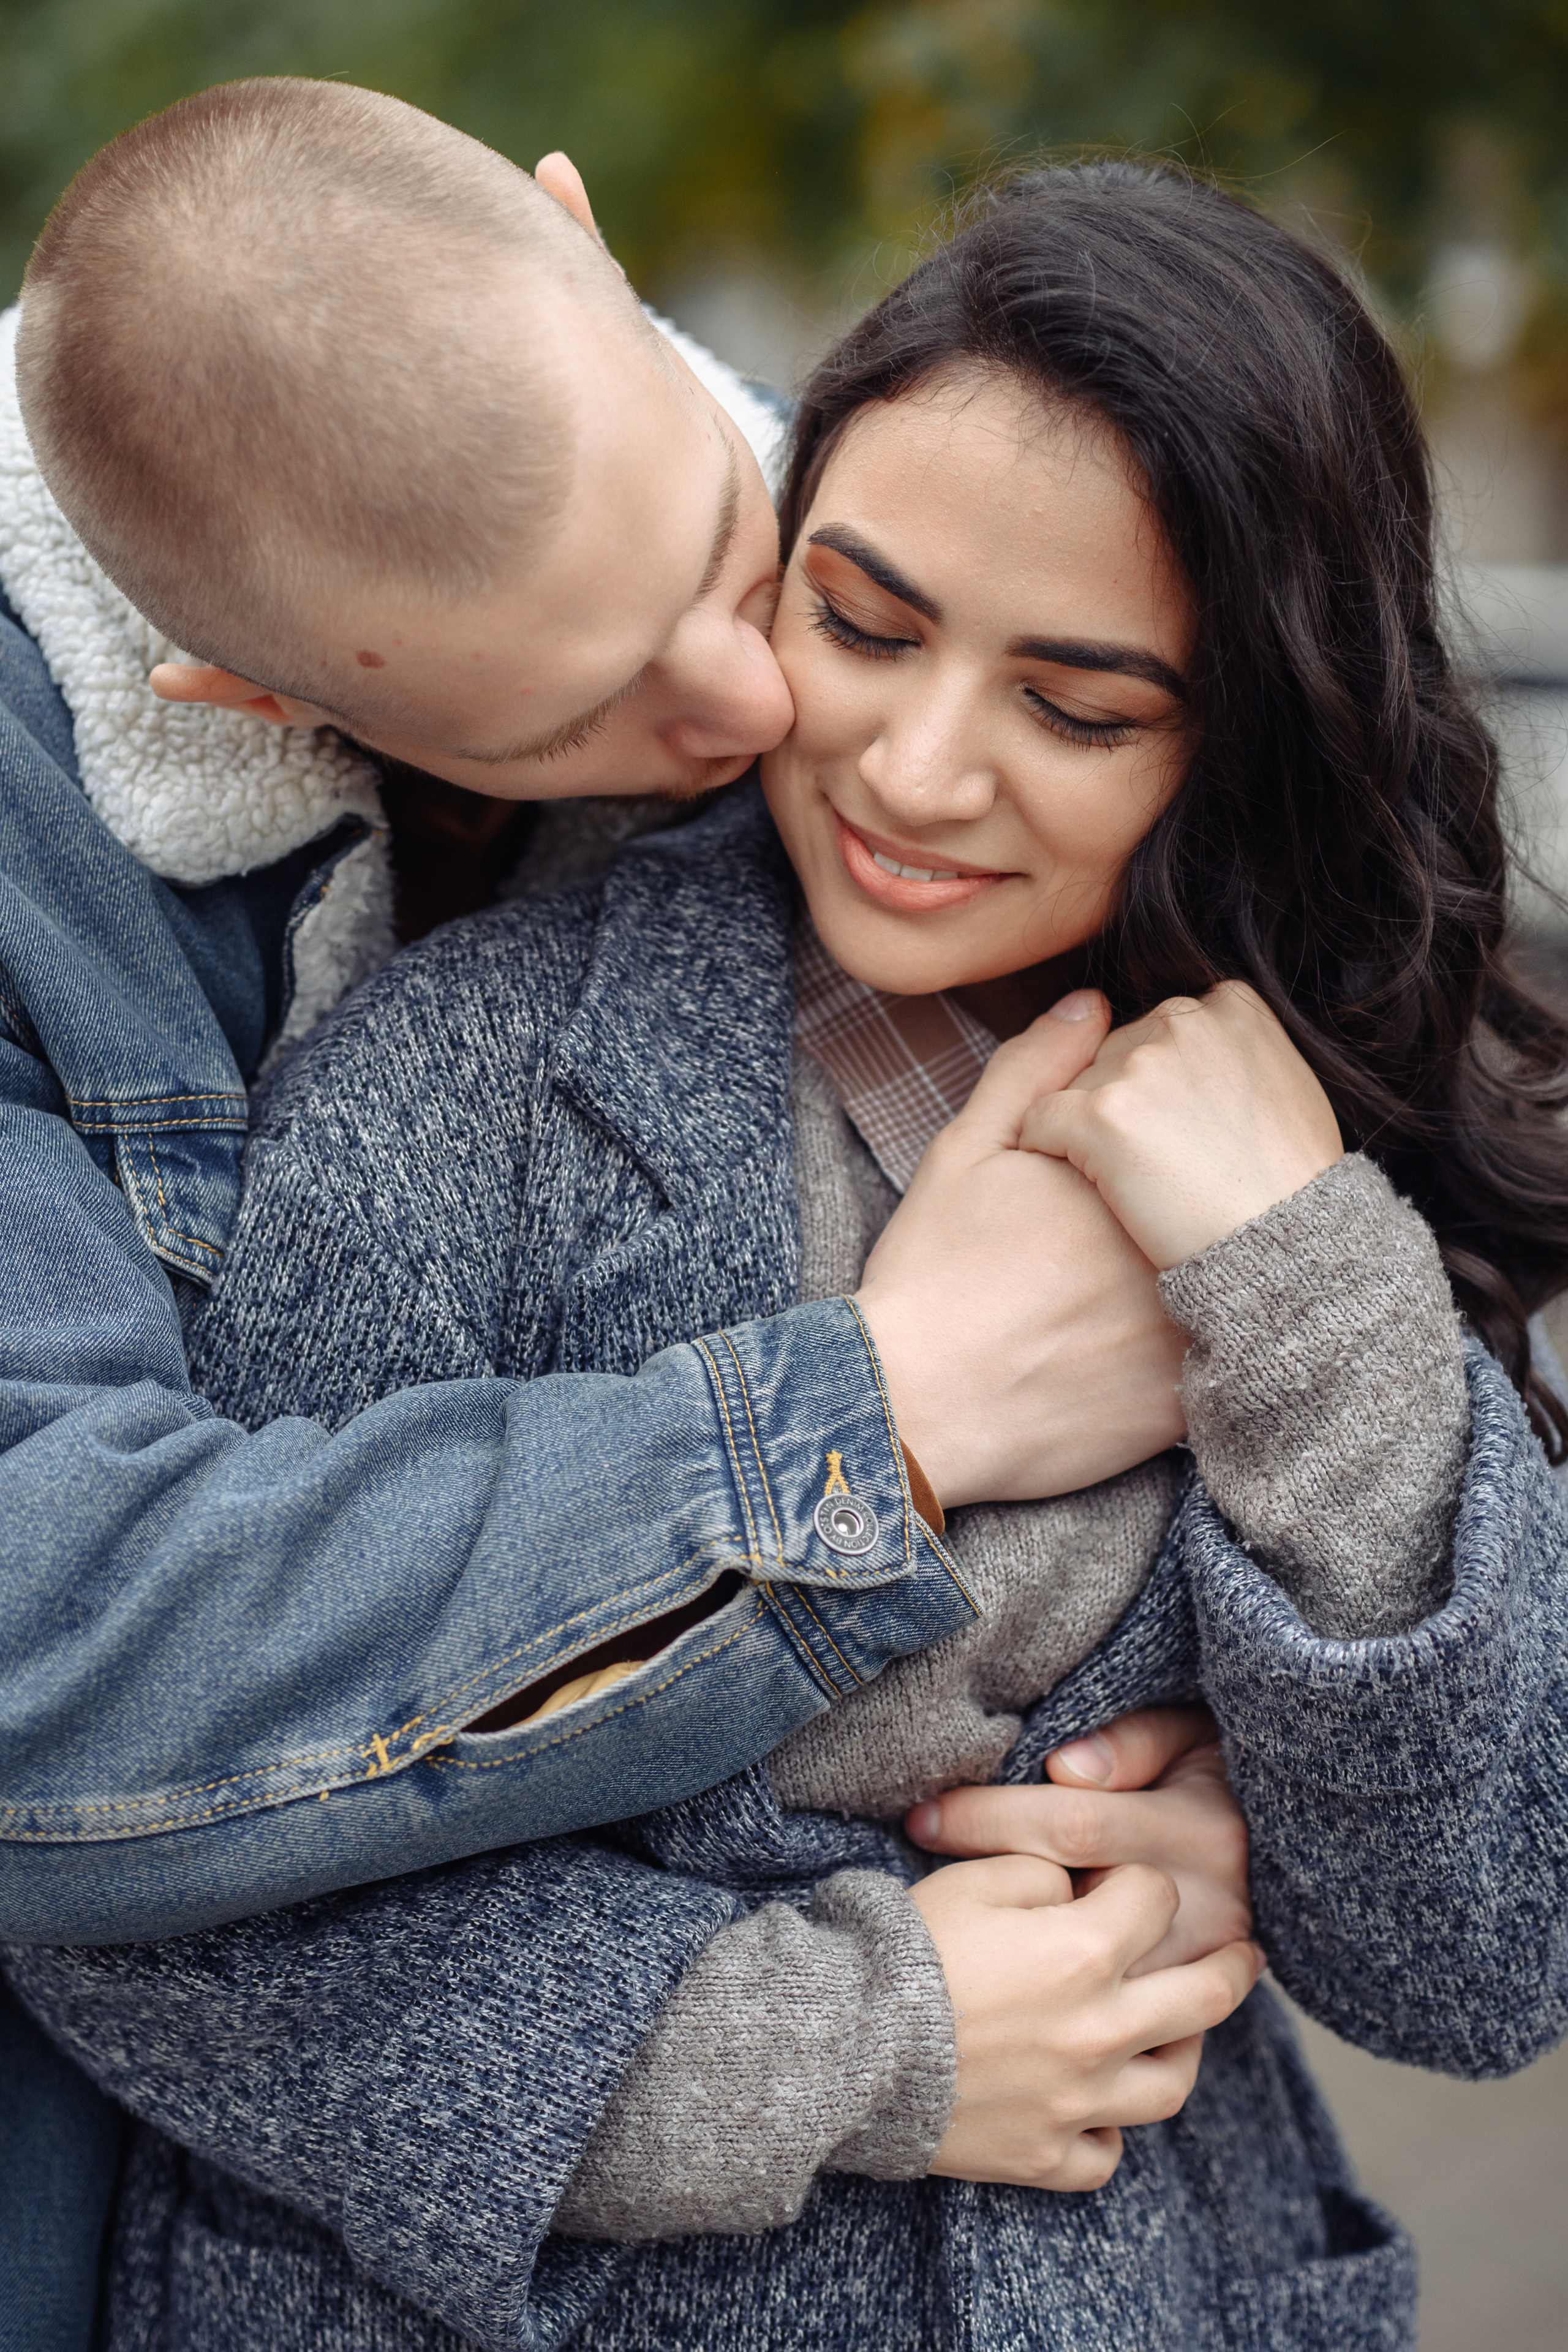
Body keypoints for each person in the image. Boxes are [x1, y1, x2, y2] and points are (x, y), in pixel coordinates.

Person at [15, 159, 1568, 2352]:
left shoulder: (1275, 1124)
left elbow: (1479, 1961)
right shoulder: (453, 1085)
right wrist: (829, 2049)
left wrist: (1310, 1290)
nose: (910, 770)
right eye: (857, 623)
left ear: (1254, 731)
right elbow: (145, 1888)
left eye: (1081, 708)